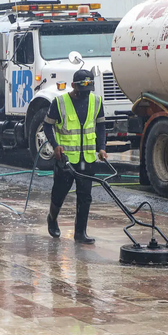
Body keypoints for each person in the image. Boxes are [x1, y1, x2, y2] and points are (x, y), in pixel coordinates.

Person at [42, 69, 107, 244]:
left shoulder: (96, 101)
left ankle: (80, 233)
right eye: (81, 91)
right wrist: (55, 146)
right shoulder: (59, 102)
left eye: (88, 91)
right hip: (66, 159)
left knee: (85, 195)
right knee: (59, 193)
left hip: (87, 158)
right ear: (73, 86)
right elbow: (47, 126)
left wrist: (101, 148)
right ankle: (52, 218)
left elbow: (101, 127)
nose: (85, 95)